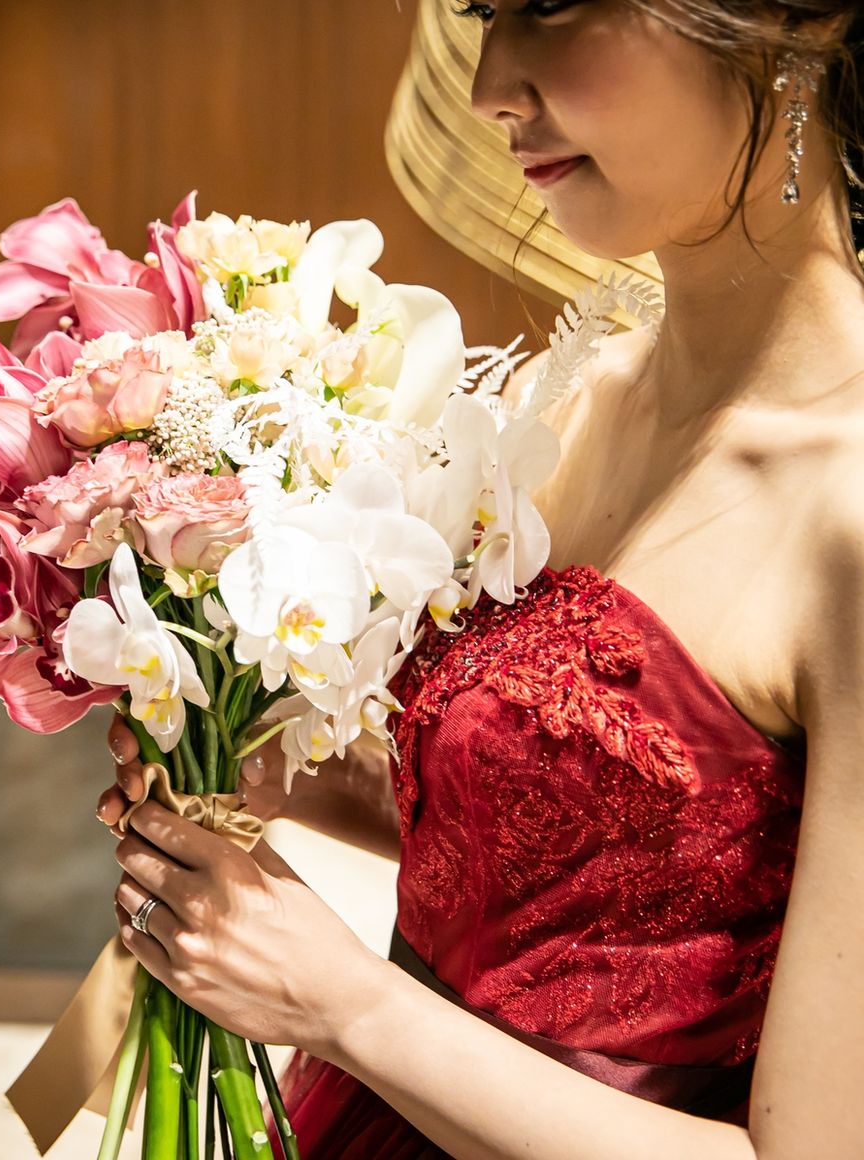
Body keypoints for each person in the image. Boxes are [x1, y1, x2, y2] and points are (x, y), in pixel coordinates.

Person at [98, 1, 864, 1156]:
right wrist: (251, 757)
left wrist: (346, 1004)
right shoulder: (558, 397)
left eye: (547, 2)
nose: (488, 86)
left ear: (790, 17)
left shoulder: (846, 519)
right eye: (481, 11)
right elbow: (560, 849)